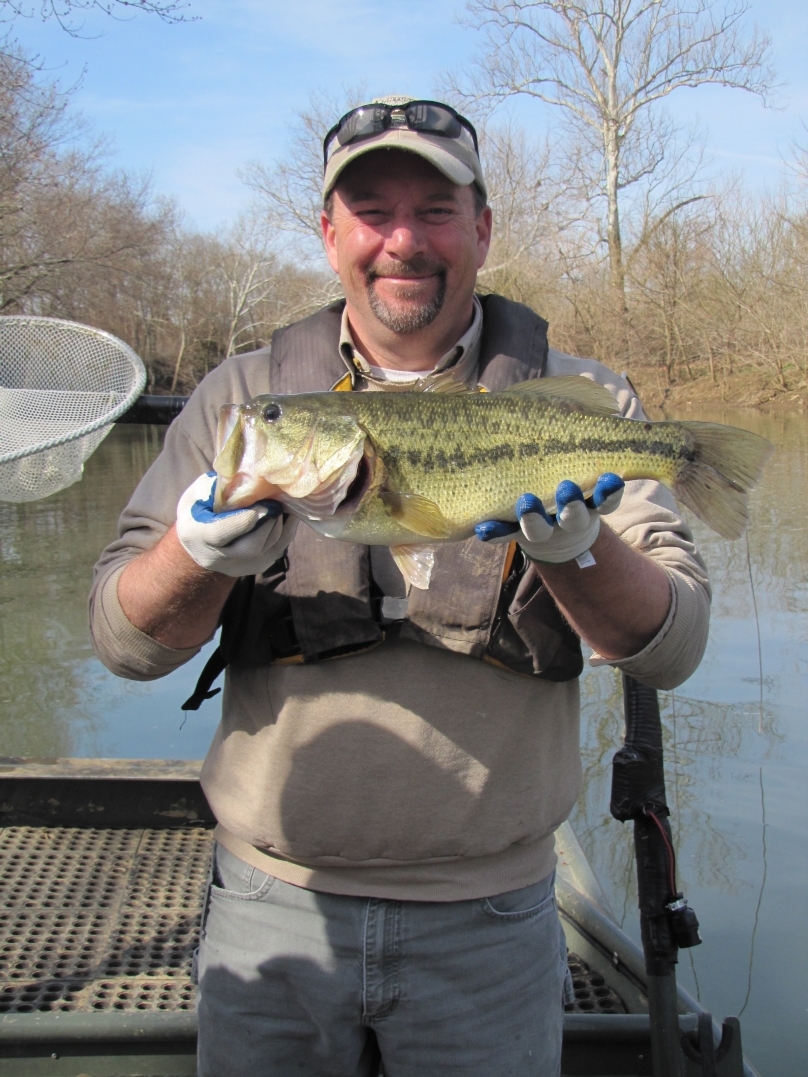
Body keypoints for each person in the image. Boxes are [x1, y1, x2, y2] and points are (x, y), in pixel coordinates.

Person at [89, 96, 710, 1077]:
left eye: (435, 210)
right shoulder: (242, 400)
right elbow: (122, 644)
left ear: (483, 228)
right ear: (329, 232)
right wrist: (195, 553)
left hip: (493, 925)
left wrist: (579, 549)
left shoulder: (585, 399)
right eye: (372, 210)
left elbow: (674, 648)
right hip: (272, 911)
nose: (402, 240)